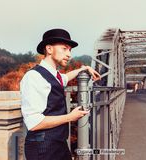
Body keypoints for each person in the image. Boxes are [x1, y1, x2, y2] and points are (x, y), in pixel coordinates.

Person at [20, 28, 101, 160]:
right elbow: (34, 122)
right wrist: (70, 117)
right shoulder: (33, 77)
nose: (69, 54)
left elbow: (64, 78)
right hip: (43, 148)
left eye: (70, 50)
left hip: (58, 144)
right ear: (49, 49)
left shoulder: (53, 75)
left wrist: (84, 68)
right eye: (64, 48)